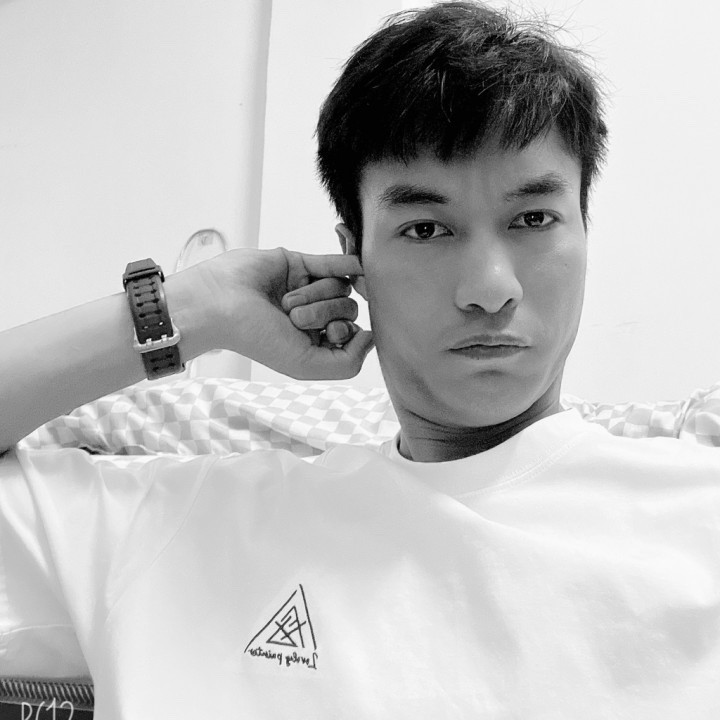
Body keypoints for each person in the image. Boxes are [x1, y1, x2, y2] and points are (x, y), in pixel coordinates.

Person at [1, 2, 719, 718]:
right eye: (426, 228)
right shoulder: (183, 529)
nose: (489, 287)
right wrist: (195, 308)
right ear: (356, 258)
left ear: (585, 231)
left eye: (533, 219)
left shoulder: (694, 518)